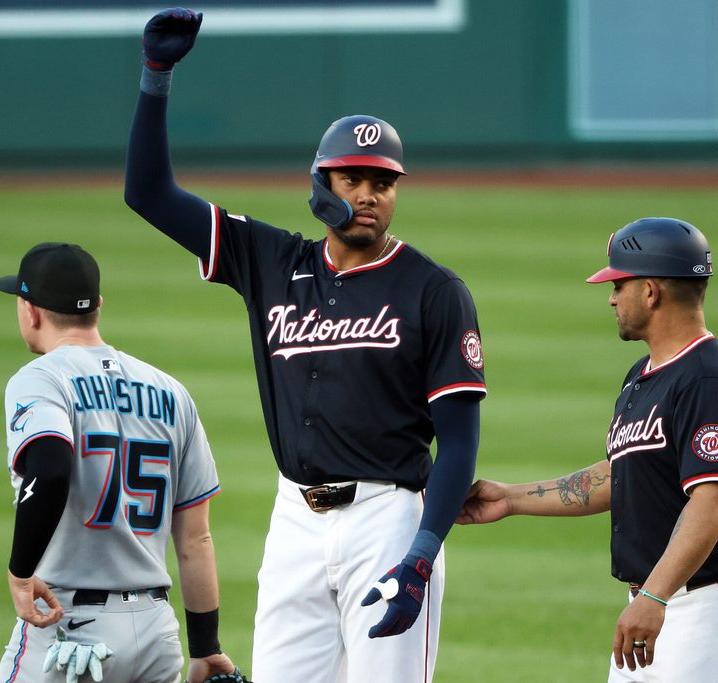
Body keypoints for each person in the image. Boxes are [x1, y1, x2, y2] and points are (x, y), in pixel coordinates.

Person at [124, 9, 485, 682]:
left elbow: (459, 441)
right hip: (294, 519)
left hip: (388, 519)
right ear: (322, 186)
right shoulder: (269, 259)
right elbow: (147, 194)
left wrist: (422, 553)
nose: (372, 194)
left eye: (383, 182)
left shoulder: (434, 289)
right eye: (354, 179)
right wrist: (156, 77)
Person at [458, 217, 718, 681]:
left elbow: (714, 500)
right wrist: (510, 498)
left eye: (618, 283)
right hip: (660, 603)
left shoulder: (707, 379)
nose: (611, 296)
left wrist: (653, 597)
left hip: (711, 607)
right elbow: (622, 475)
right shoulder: (644, 375)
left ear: (651, 291)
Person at [0, 241, 245, 683]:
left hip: (70, 629)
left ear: (29, 310)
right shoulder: (171, 392)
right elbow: (195, 540)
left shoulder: (41, 378)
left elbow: (50, 468)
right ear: (98, 307)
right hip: (156, 634)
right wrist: (206, 648)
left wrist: (19, 573)